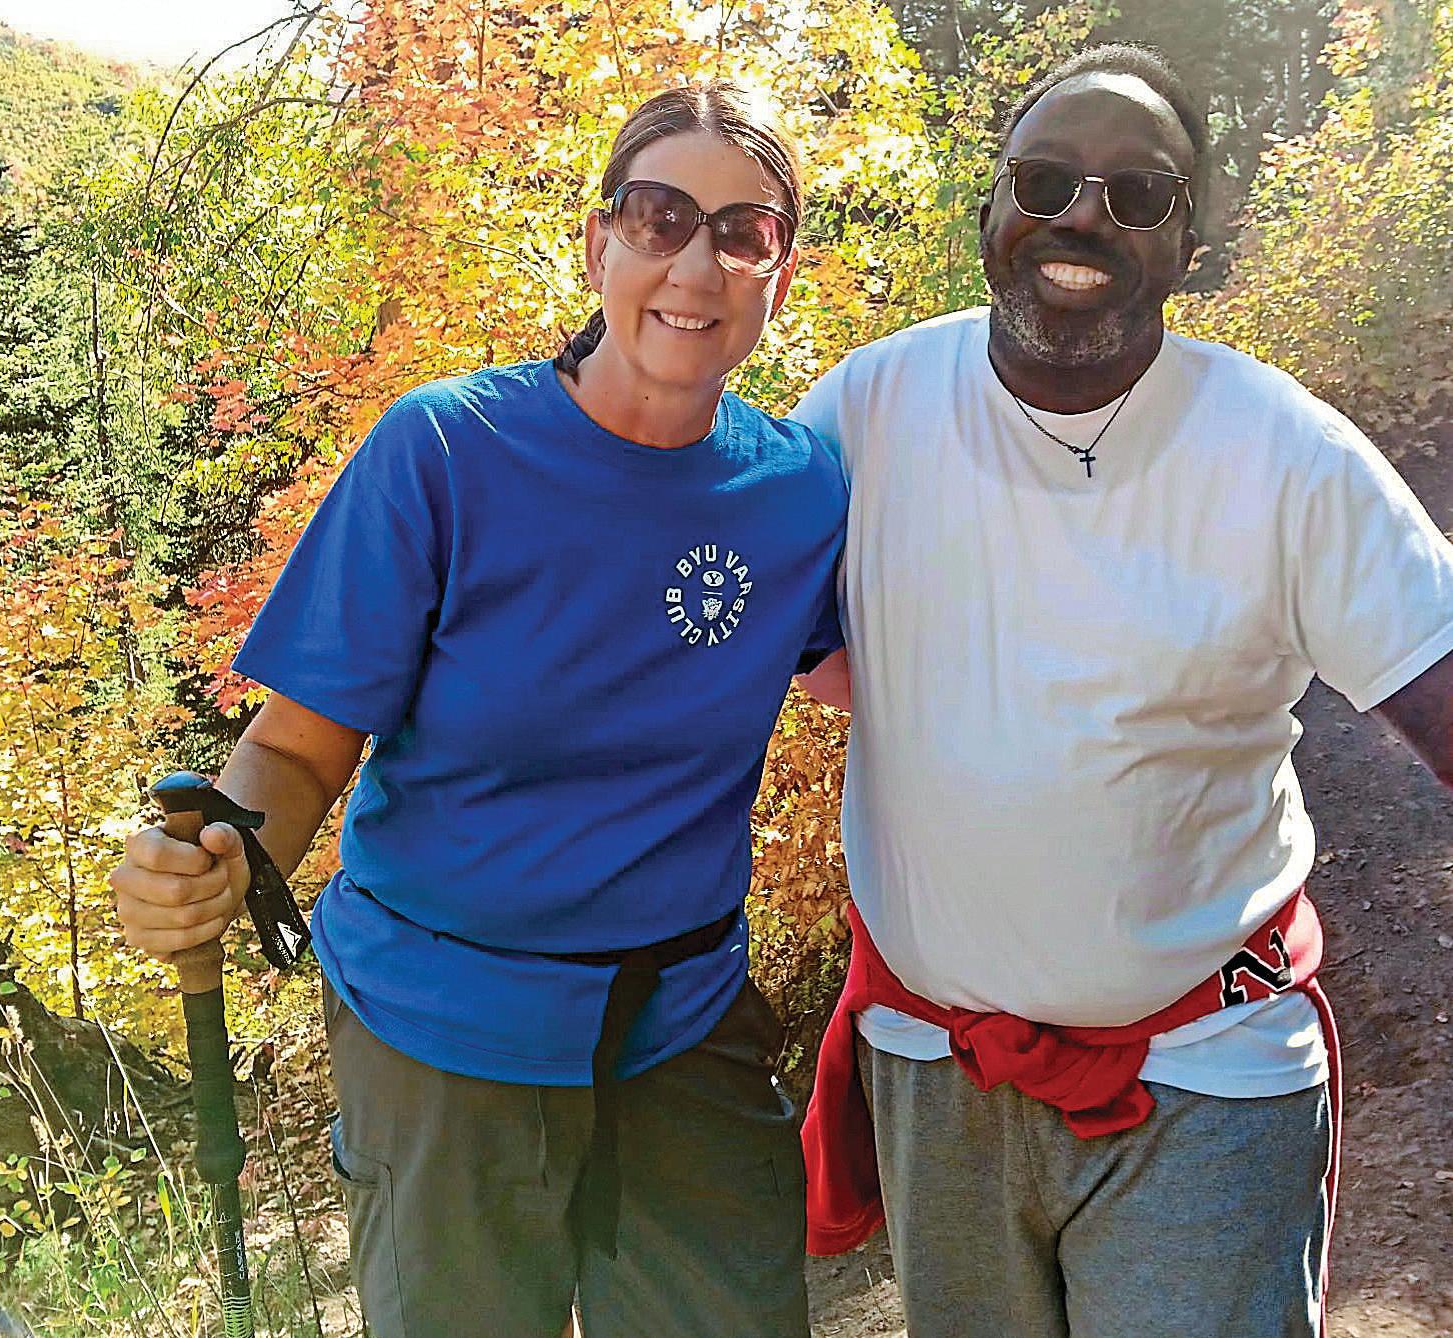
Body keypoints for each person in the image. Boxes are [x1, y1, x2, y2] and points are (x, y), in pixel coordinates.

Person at [112, 81, 846, 1338]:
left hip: (682, 1028)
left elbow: (884, 679)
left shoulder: (798, 490)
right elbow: (297, 747)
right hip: (439, 1038)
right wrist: (219, 857)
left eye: (743, 233)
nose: (694, 263)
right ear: (598, 242)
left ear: (779, 272)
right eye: (659, 217)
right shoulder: (445, 450)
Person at [793, 43, 1453, 1338]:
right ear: (992, 205)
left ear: (1189, 244)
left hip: (1204, 1076)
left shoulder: (1284, 454)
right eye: (1044, 180)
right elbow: (733, 634)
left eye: (1136, 193)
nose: (1080, 216)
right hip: (937, 1068)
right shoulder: (865, 409)